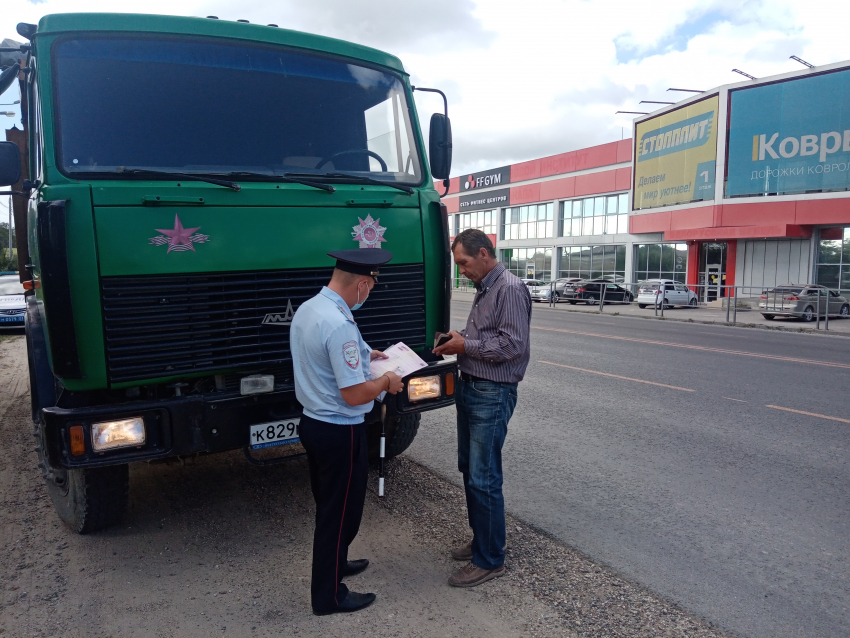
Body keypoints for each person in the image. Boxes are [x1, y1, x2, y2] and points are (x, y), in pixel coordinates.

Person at [290, 248, 404, 615]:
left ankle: (338, 564)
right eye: (369, 289)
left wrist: (366, 355)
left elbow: (327, 355)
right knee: (338, 514)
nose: (367, 296)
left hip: (316, 423)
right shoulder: (339, 323)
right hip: (340, 430)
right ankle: (329, 596)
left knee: (334, 507)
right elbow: (355, 394)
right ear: (363, 282)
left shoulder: (311, 308)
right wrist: (387, 380)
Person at [433, 229, 531, 588]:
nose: (461, 271)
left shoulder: (508, 288)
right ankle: (483, 541)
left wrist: (465, 345)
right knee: (470, 469)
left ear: (485, 254)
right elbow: (487, 335)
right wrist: (456, 338)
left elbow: (512, 346)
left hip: (493, 392)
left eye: (464, 263)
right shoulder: (487, 288)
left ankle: (490, 560)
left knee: (483, 476)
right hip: (472, 387)